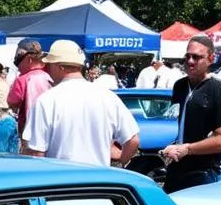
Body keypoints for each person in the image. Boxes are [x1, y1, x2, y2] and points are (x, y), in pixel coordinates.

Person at [23, 40, 140, 168]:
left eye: (48, 66)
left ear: (59, 66)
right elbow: (133, 140)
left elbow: (36, 152)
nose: (47, 71)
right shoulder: (108, 97)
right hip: (100, 182)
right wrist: (120, 161)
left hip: (60, 183)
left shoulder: (46, 101)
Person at [161, 33, 221, 193]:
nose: (190, 61)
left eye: (196, 57)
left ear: (211, 59)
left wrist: (187, 149)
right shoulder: (179, 86)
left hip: (203, 173)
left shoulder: (219, 90)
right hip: (176, 167)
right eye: (187, 56)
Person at [8, 39, 53, 149]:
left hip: (29, 133)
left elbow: (12, 102)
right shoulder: (51, 77)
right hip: (51, 130)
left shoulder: (23, 79)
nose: (17, 65)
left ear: (28, 59)